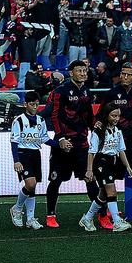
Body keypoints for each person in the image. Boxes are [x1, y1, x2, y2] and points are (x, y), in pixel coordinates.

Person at [45, 59, 96, 228]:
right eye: (79, 71)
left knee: (90, 178)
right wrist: (60, 138)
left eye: (84, 71)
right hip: (64, 144)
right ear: (71, 73)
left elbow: (89, 115)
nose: (82, 73)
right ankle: (50, 215)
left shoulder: (87, 91)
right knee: (56, 180)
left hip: (82, 143)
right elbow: (55, 115)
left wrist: (95, 129)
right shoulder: (61, 90)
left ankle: (99, 214)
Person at [101, 61, 132, 225]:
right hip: (114, 146)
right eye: (123, 73)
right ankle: (103, 214)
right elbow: (101, 117)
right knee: (109, 180)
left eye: (129, 74)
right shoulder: (111, 93)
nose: (125, 77)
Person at [80, 103, 132, 233]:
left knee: (103, 194)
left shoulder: (117, 130)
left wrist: (127, 166)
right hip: (101, 162)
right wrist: (89, 170)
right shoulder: (98, 131)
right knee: (112, 191)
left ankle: (87, 218)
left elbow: (121, 150)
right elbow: (91, 152)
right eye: (113, 115)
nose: (116, 118)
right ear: (106, 115)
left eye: (118, 116)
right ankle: (117, 222)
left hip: (113, 162)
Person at [10, 91, 53, 230]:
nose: (35, 107)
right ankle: (16, 209)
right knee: (30, 183)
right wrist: (16, 161)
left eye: (36, 104)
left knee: (33, 187)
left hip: (36, 154)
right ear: (25, 104)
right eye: (31, 104)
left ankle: (30, 218)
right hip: (23, 154)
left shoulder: (41, 120)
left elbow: (45, 139)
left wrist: (59, 144)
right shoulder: (19, 120)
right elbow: (14, 142)